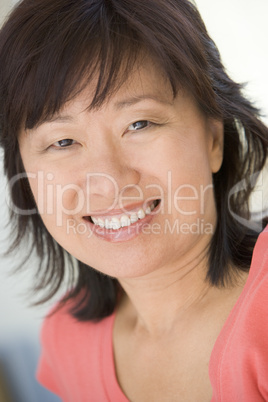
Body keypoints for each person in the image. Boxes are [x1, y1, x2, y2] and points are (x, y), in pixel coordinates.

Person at [0, 0, 267, 400]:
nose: (109, 180)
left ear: (214, 138)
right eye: (63, 141)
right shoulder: (66, 342)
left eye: (139, 124)